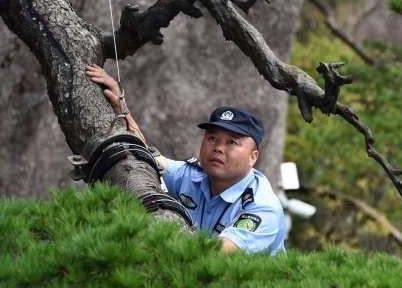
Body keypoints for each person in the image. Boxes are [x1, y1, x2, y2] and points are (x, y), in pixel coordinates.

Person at [86, 65, 285, 256]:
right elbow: (146, 155)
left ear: (253, 157)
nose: (218, 148)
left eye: (232, 142)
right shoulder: (193, 177)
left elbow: (218, 255)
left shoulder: (261, 207)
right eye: (212, 138)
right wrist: (120, 106)